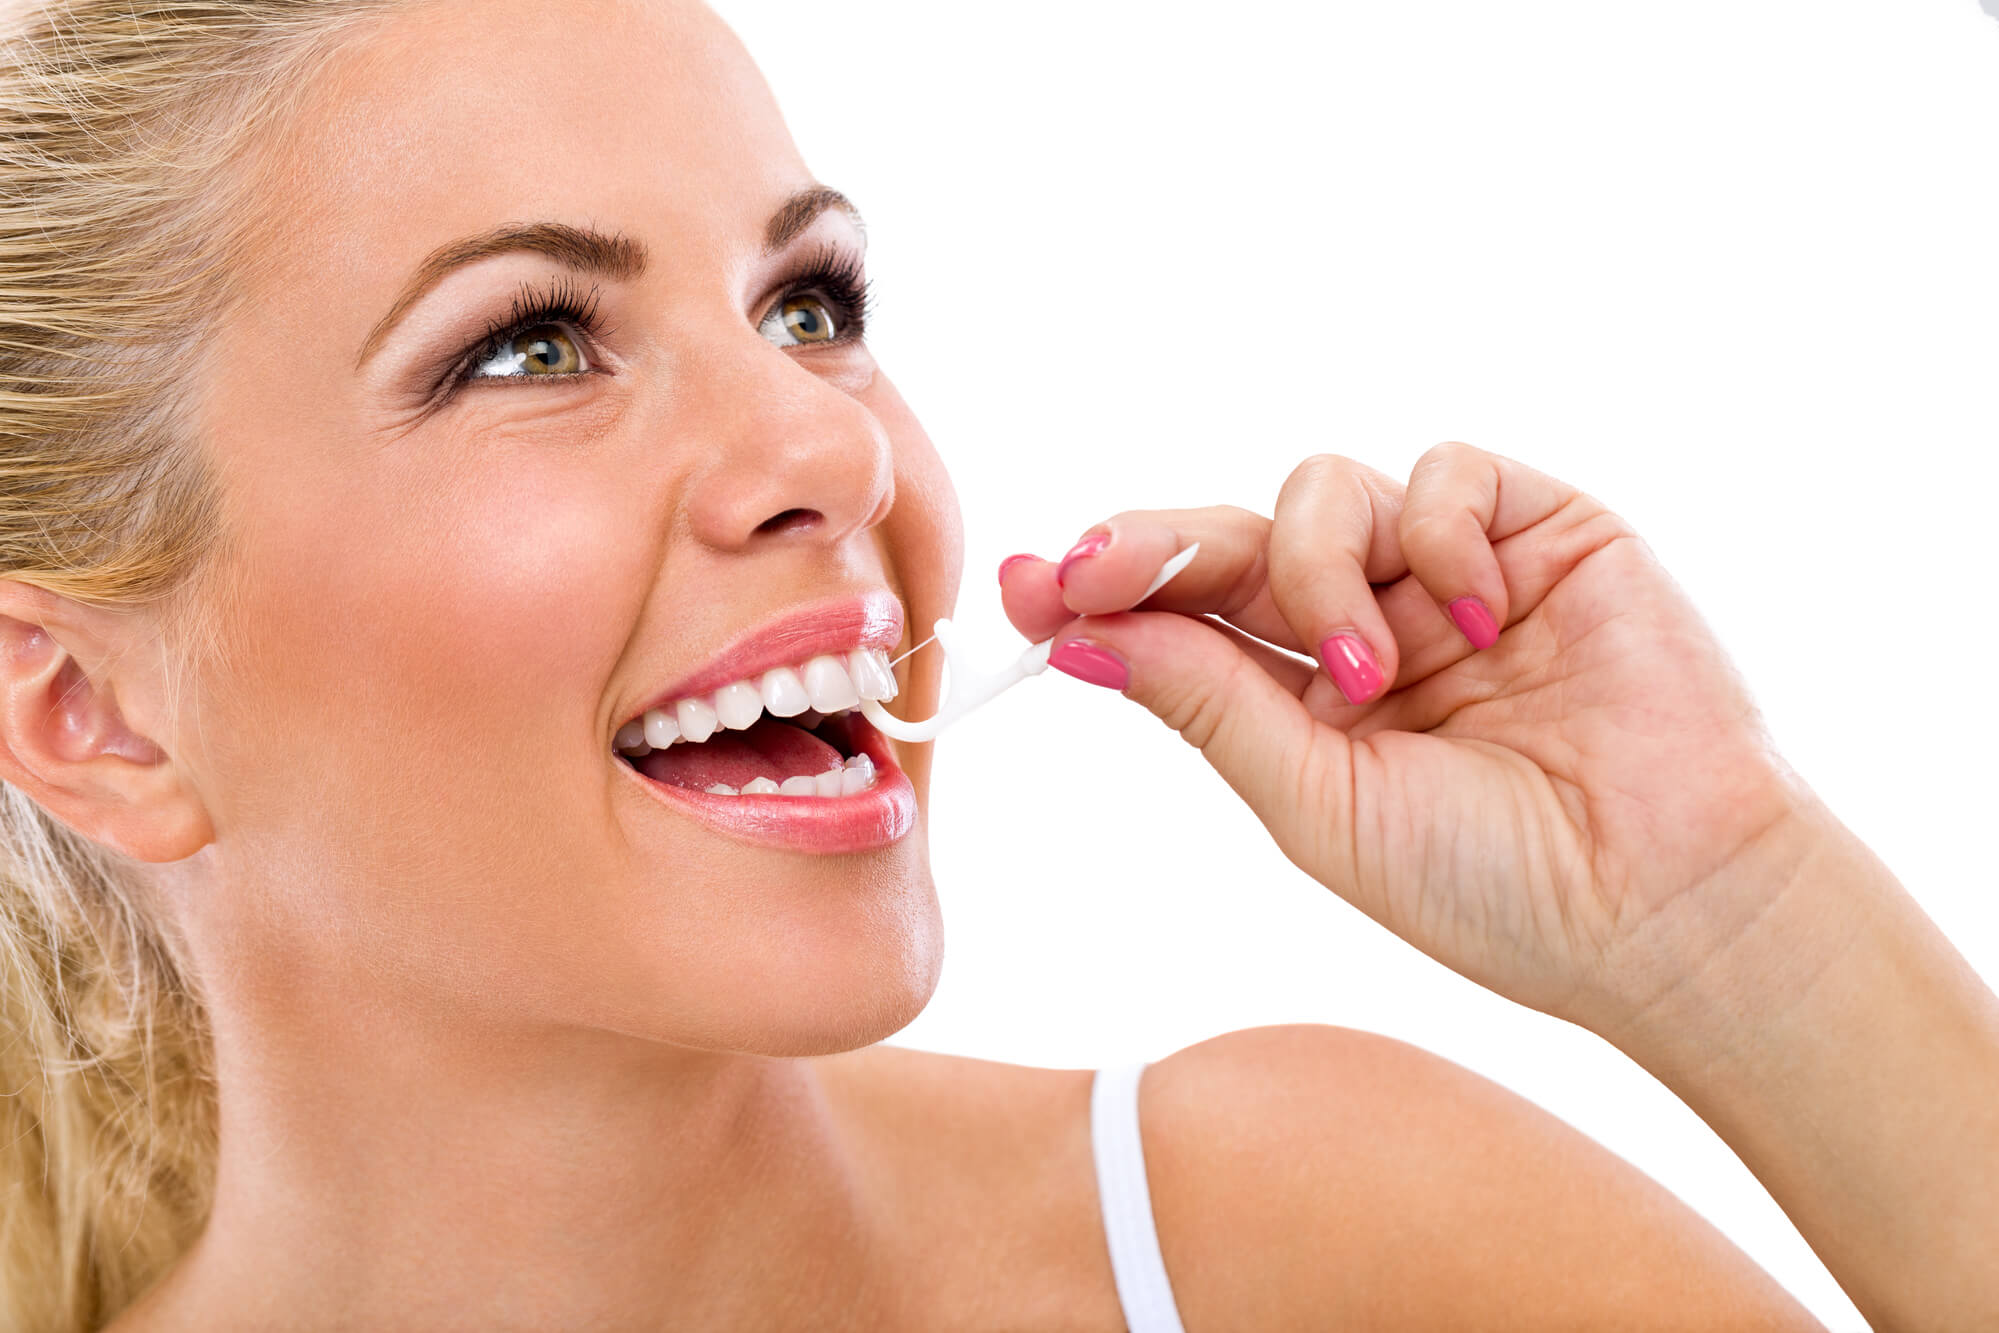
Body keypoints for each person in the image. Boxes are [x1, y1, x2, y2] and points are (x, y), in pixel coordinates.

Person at [0, 1, 1991, 1329]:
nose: (834, 446)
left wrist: (1730, 916)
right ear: (94, 716)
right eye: (533, 344)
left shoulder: (1286, 1244)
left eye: (807, 302)